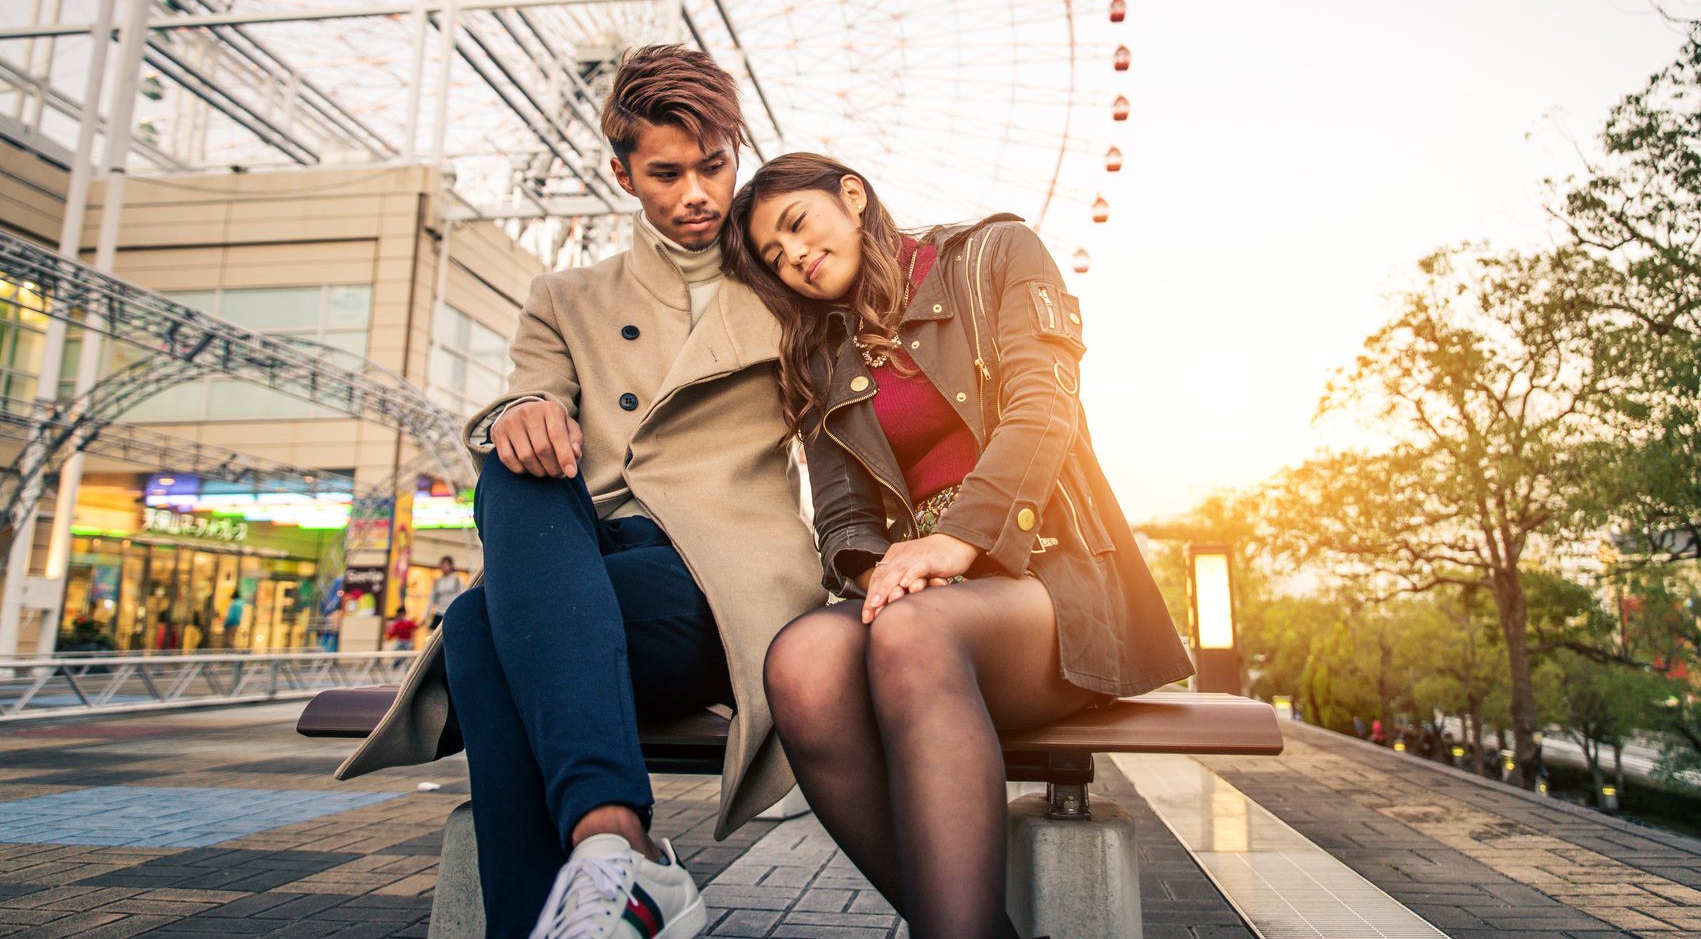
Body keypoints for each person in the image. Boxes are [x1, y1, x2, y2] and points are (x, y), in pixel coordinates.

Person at [331, 46, 823, 939]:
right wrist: (524, 410)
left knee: (481, 629)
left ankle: (605, 860)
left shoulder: (791, 291)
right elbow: (536, 392)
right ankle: (614, 851)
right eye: (666, 173)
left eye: (714, 166)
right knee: (510, 456)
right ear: (621, 171)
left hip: (715, 583)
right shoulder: (564, 296)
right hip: (583, 566)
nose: (696, 194)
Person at [723, 152, 1190, 939]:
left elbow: (1045, 410)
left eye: (796, 226)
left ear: (851, 193)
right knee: (801, 663)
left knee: (910, 633)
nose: (794, 258)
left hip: (1054, 577)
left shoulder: (996, 254)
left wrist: (957, 541)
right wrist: (885, 573)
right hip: (926, 596)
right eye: (775, 258)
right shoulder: (818, 354)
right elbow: (841, 515)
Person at [426, 557, 463, 630]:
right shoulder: (438, 581)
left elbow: (461, 595)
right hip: (439, 611)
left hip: (451, 611)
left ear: (451, 566)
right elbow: (432, 598)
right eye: (442, 565)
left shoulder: (457, 579)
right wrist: (426, 615)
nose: (444, 567)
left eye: (446, 565)